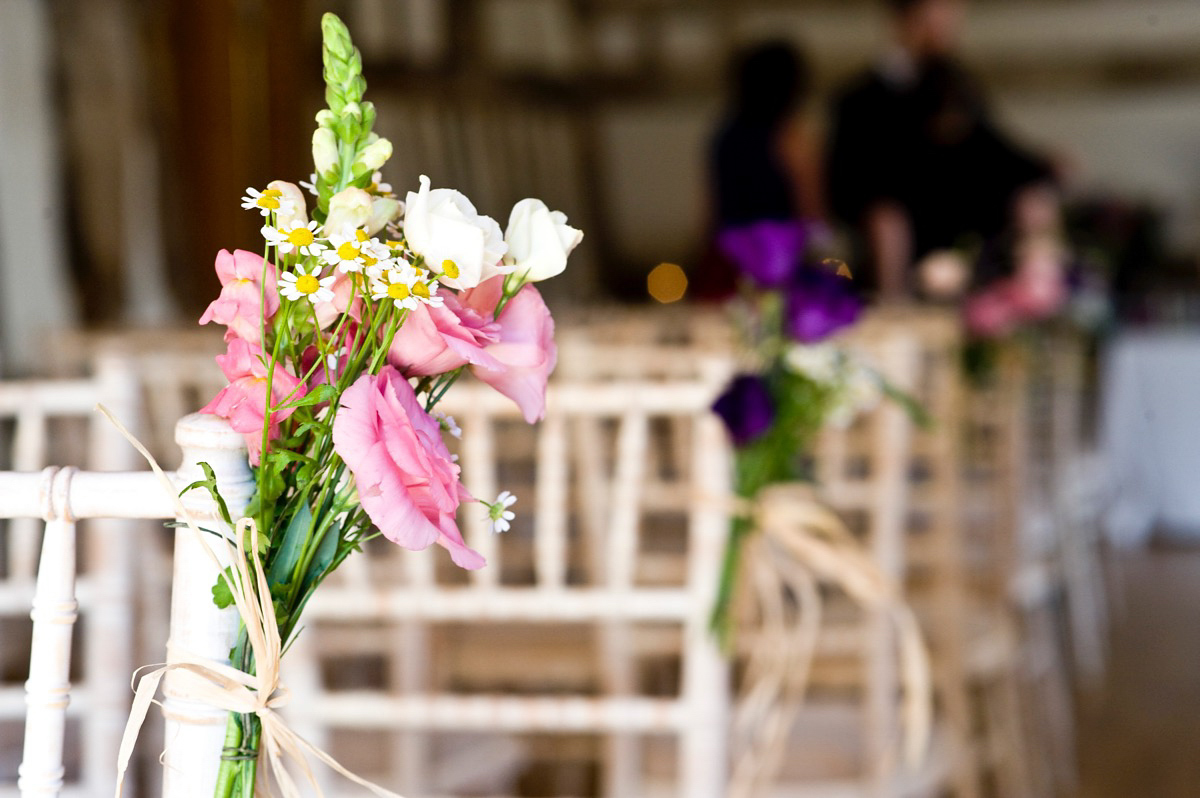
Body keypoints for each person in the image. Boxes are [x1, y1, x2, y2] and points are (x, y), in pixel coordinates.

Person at [826, 0, 1055, 300]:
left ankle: (1031, 306)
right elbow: (849, 179)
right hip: (901, 219)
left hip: (961, 210)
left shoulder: (958, 84)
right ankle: (894, 310)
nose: (948, 25)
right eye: (938, 15)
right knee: (887, 222)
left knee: (1033, 202)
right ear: (908, 18)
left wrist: (1044, 167)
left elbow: (993, 150)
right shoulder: (862, 97)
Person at [697, 41, 825, 299]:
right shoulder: (790, 135)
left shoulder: (723, 135)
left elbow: (709, 209)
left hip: (728, 256)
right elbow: (810, 208)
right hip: (778, 257)